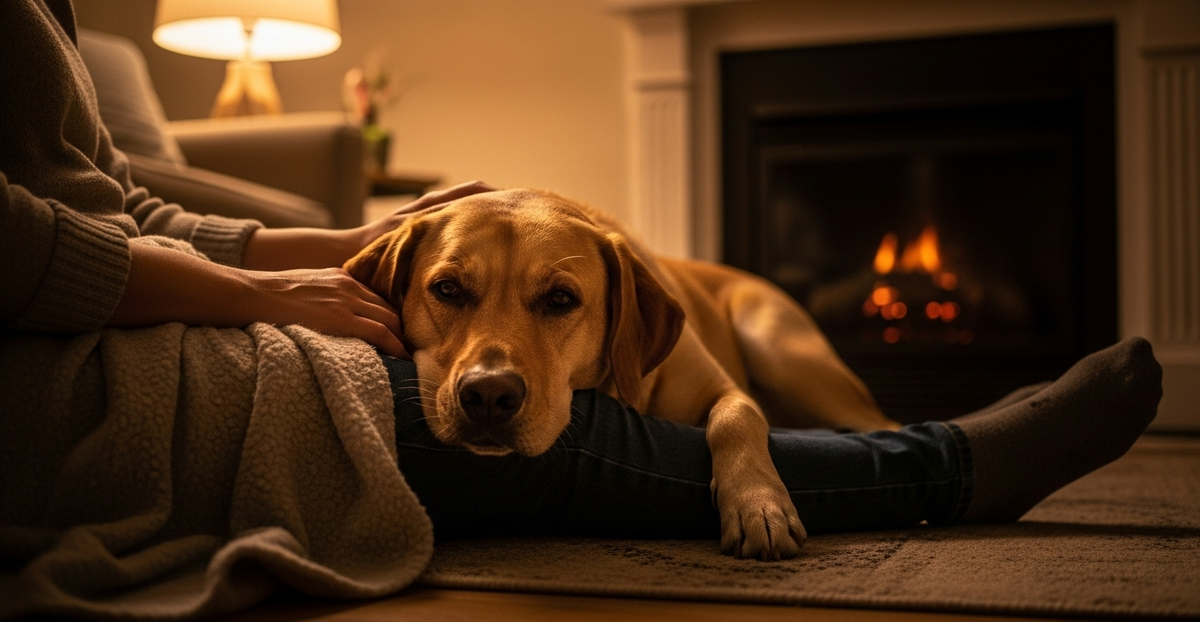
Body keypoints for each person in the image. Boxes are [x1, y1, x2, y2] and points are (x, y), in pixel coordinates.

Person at [1, 0, 1163, 559]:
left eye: (555, 306)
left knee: (751, 399)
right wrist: (279, 294)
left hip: (151, 301)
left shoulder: (646, 303)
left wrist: (375, 231)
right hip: (61, 358)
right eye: (451, 297)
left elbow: (128, 208)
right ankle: (941, 467)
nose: (492, 367)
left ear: (614, 318)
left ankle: (896, 444)